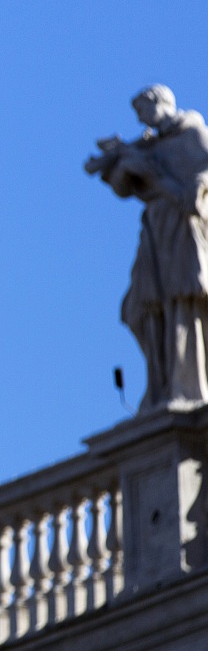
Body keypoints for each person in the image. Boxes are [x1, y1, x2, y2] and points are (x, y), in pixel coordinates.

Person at [86, 85, 208, 410]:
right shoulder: (150, 144)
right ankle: (163, 384)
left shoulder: (192, 133)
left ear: (160, 104)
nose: (142, 121)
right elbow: (122, 187)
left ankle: (187, 384)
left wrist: (198, 184)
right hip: (156, 232)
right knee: (140, 309)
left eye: (144, 111)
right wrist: (125, 163)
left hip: (183, 228)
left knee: (183, 301)